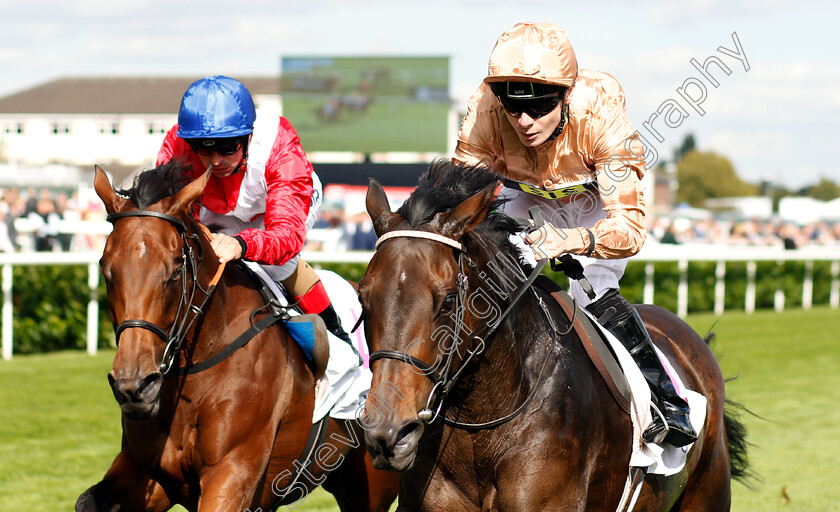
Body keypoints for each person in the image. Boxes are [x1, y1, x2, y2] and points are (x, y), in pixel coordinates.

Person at [452, 23, 696, 447]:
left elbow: (630, 229)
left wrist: (573, 241)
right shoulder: (485, 110)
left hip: (592, 201)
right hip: (524, 194)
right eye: (513, 105)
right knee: (486, 279)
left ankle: (665, 401)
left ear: (565, 94)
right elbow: (455, 198)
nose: (524, 121)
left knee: (593, 287)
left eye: (541, 106)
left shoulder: (601, 113)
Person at [157, 75, 351, 345]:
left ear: (248, 135)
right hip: (218, 209)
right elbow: (168, 216)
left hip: (283, 206)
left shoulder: (279, 145)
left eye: (227, 148)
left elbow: (286, 235)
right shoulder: (178, 144)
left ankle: (337, 336)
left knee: (278, 265)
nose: (216, 161)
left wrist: (242, 245)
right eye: (204, 150)